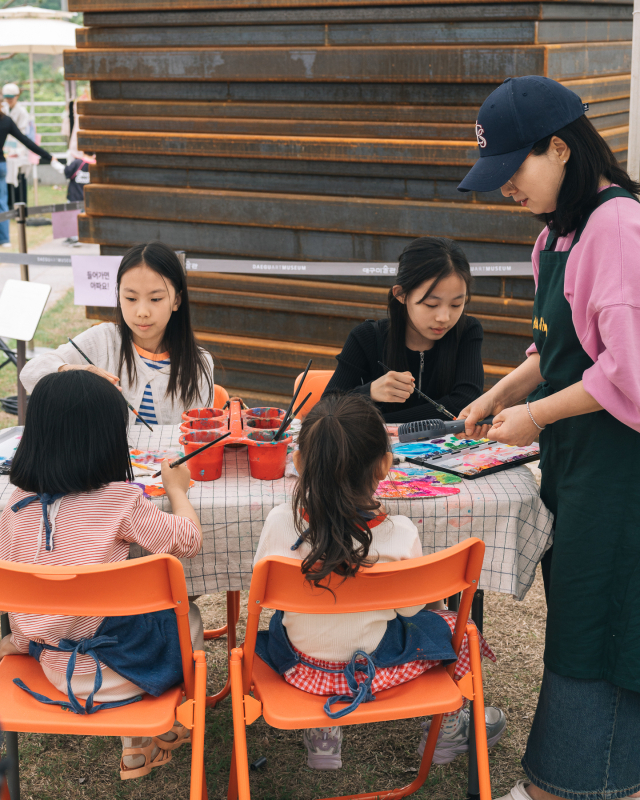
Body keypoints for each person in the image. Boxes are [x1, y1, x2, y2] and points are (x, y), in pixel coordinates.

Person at [457, 75, 640, 800]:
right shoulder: (553, 239)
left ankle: (569, 785)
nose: (506, 188)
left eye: (514, 170)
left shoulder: (618, 228)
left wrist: (533, 418)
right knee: (582, 609)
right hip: (579, 462)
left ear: (560, 148)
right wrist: (504, 392)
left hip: (623, 470)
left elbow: (629, 371)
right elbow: (562, 351)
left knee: (601, 622)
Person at [253, 393, 505, 770]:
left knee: (283, 619)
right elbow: (410, 609)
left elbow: (266, 597)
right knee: (460, 627)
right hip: (375, 669)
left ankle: (322, 731)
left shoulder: (278, 522)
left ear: (299, 461)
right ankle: (447, 733)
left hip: (301, 670)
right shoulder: (399, 533)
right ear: (385, 465)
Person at [0, 370, 204, 779]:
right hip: (124, 669)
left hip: (56, 671)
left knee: (84, 614)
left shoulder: (13, 506)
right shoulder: (122, 502)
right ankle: (165, 726)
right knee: (191, 616)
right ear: (108, 440)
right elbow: (187, 540)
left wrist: (19, 641)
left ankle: (138, 747)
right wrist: (177, 489)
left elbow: (16, 596)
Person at [20, 241, 214, 425]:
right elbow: (30, 373)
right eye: (130, 298)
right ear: (119, 296)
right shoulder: (102, 340)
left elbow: (199, 437)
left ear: (176, 301)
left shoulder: (199, 364)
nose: (142, 312)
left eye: (155, 299)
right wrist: (77, 372)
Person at [322, 236, 484, 423]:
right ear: (401, 295)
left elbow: (465, 402)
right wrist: (369, 392)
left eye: (457, 304)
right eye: (431, 304)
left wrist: (380, 421)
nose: (444, 318)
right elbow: (326, 409)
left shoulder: (467, 331)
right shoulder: (366, 337)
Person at [0, 98, 54, 248]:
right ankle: (5, 239)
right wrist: (48, 156)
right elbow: (26, 141)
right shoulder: (6, 120)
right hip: (1, 165)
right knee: (2, 203)